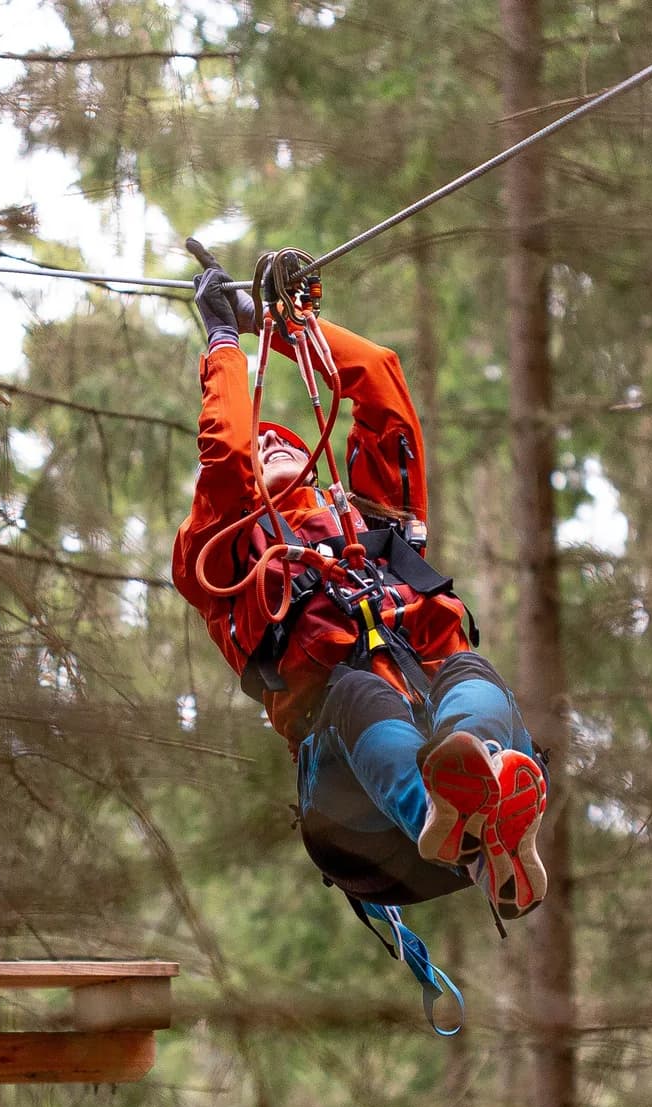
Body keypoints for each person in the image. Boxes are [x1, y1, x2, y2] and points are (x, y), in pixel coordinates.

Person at [170, 257, 548, 920]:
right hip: (352, 816)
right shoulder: (222, 552)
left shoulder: (373, 524)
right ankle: (446, 813)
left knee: (467, 668)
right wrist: (225, 344)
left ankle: (490, 823)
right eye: (260, 445)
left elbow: (377, 377)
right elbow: (226, 456)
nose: (267, 440)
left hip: (430, 754)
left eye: (279, 438)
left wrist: (278, 325)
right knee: (357, 691)